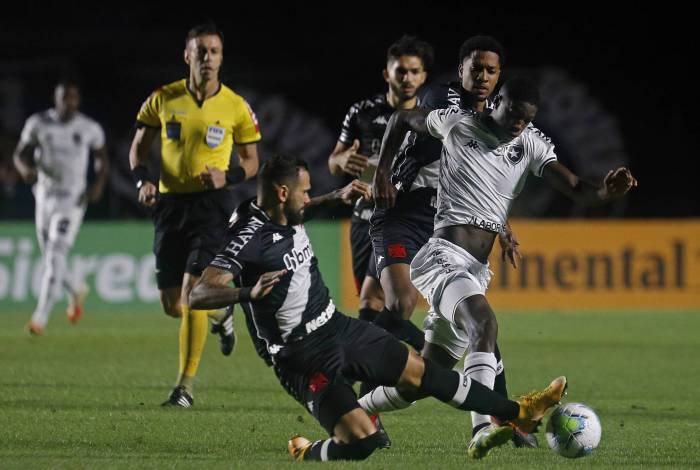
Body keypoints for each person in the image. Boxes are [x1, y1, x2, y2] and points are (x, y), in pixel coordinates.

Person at [189, 154, 567, 462]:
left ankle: (520, 412)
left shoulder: (285, 210)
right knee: (363, 442)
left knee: (424, 373)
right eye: (305, 193)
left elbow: (300, 212)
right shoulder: (249, 237)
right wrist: (246, 294)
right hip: (303, 358)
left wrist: (332, 198)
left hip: (339, 329)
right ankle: (310, 453)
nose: (308, 198)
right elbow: (199, 294)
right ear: (283, 192)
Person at [365, 76, 636, 458]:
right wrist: (382, 171)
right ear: (495, 103)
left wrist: (607, 191)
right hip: (441, 255)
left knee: (424, 379)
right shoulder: (458, 124)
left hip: (475, 268)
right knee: (485, 325)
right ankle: (483, 429)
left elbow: (577, 187)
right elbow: (402, 118)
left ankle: (353, 409)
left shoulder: (530, 143)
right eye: (512, 115)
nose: (517, 126)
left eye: (525, 120)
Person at [368, 35, 530, 451]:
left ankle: (495, 415)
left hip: (444, 220)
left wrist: (503, 227)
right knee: (403, 303)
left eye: (491, 71)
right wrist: (382, 170)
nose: (482, 78)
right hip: (403, 209)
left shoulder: (499, 120)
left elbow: (487, 181)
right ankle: (362, 362)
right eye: (475, 69)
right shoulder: (444, 99)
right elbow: (404, 117)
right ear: (461, 71)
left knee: (474, 327)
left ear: (500, 78)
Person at [128, 23, 261, 406]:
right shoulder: (162, 98)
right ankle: (221, 315)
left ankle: (184, 387)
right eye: (200, 51)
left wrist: (228, 175)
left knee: (190, 295)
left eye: (214, 51)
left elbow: (252, 162)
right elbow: (138, 149)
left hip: (211, 207)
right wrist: (142, 181)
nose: (208, 58)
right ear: (187, 55)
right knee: (173, 305)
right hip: (170, 207)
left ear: (221, 57)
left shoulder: (235, 105)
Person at [327, 35, 433, 329]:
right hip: (364, 217)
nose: (407, 78)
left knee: (393, 300)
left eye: (414, 71)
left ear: (423, 76)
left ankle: (380, 367)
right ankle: (382, 367)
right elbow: (333, 161)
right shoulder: (362, 112)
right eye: (401, 71)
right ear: (387, 74)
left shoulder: (428, 120)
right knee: (369, 302)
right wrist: (343, 161)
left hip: (403, 218)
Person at [13, 80, 108, 335]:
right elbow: (20, 153)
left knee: (55, 252)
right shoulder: (38, 123)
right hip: (44, 195)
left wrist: (98, 184)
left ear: (78, 100)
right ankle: (76, 288)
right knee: (49, 256)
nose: (69, 102)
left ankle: (40, 317)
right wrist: (25, 170)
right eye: (65, 97)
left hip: (72, 199)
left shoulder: (89, 128)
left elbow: (101, 158)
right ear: (56, 99)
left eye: (74, 98)